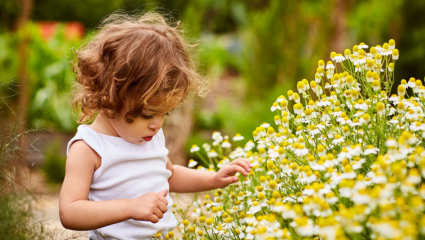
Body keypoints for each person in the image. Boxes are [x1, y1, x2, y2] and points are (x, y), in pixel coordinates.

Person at [59, 12, 252, 240]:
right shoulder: (89, 148)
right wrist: (131, 207)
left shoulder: (149, 135)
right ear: (109, 97)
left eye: (165, 113)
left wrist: (212, 179)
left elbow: (168, 175)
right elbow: (70, 211)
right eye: (148, 114)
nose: (157, 124)